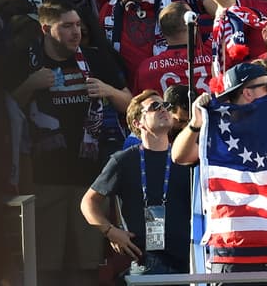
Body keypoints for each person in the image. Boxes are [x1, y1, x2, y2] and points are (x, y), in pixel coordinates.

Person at [10, 0, 131, 286]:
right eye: (66, 26)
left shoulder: (96, 58)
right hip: (42, 180)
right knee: (47, 268)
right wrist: (30, 85)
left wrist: (109, 90)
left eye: (78, 25)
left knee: (86, 267)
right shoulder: (26, 60)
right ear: (45, 28)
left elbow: (130, 104)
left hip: (90, 182)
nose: (75, 32)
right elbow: (4, 112)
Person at [171, 62, 267, 273]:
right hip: (234, 255)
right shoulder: (217, 129)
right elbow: (180, 156)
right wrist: (196, 122)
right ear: (248, 93)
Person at [81, 90, 192, 275]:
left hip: (187, 260)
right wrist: (110, 231)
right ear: (137, 123)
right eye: (155, 106)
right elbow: (88, 202)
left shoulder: (185, 157)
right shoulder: (123, 160)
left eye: (165, 105)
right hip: (144, 262)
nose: (163, 109)